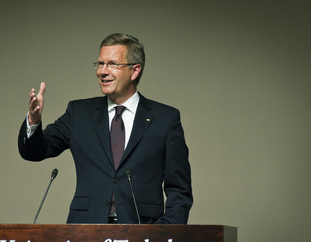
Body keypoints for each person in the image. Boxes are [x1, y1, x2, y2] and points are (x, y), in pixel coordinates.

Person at [18, 33, 193, 224]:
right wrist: (33, 120)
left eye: (112, 64)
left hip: (144, 234)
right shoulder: (79, 113)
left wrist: (165, 232)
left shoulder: (165, 119)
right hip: (85, 230)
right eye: (100, 64)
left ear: (135, 70)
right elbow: (34, 151)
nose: (102, 71)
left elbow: (179, 189)